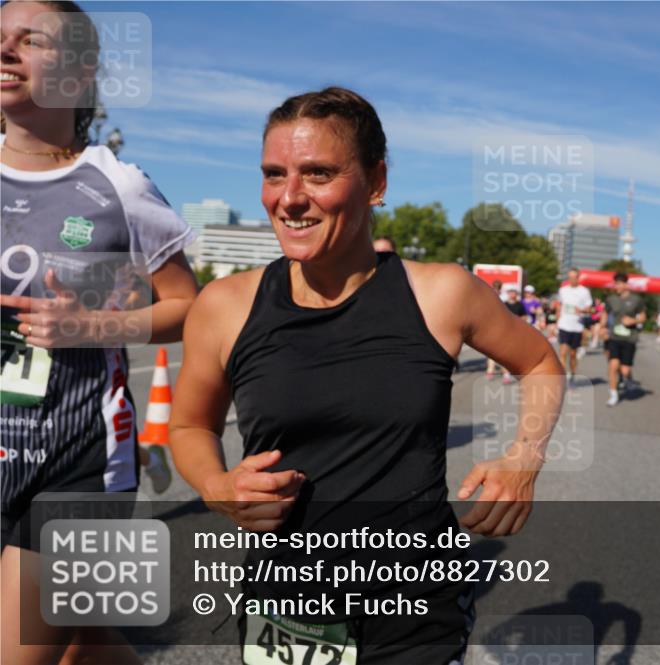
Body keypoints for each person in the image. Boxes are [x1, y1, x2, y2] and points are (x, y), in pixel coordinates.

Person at [169, 86, 564, 664]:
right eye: (274, 174)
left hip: (413, 614)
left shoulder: (441, 294)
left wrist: (524, 458)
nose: (290, 198)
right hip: (284, 611)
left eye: (319, 173)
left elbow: (540, 362)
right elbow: (187, 428)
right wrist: (216, 486)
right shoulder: (224, 306)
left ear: (376, 181)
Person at [0, 2, 198, 662]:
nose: (6, 51)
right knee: (86, 640)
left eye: (30, 41)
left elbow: (186, 307)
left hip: (80, 462)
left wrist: (93, 323)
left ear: (81, 74)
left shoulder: (119, 186)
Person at [601, 272, 646, 406]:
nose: (616, 287)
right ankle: (613, 394)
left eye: (619, 284)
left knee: (625, 369)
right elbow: (605, 312)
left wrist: (633, 320)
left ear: (626, 284)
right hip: (614, 337)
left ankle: (627, 378)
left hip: (629, 338)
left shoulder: (636, 299)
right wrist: (603, 326)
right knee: (613, 366)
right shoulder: (611, 299)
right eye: (615, 284)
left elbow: (643, 317)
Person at [554, 267, 593, 385]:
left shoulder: (584, 291)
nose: (571, 279)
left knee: (572, 354)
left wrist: (582, 310)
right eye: (569, 277)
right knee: (563, 352)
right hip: (563, 325)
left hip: (577, 326)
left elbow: (590, 309)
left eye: (574, 277)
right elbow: (559, 305)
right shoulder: (563, 290)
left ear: (578, 278)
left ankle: (572, 374)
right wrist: (557, 320)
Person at [501, 287, 529, 384]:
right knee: (504, 354)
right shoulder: (504, 304)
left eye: (514, 292)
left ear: (516, 294)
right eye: (510, 292)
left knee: (516, 354)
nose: (512, 294)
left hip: (516, 331)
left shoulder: (520, 305)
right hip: (505, 331)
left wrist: (520, 322)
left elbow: (524, 317)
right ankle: (506, 374)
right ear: (508, 293)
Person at [485, 278, 504, 378]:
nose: (496, 289)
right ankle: (490, 369)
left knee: (499, 350)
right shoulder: (488, 296)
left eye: (498, 288)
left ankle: (500, 369)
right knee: (492, 350)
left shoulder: (503, 298)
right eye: (495, 287)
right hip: (491, 326)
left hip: (500, 327)